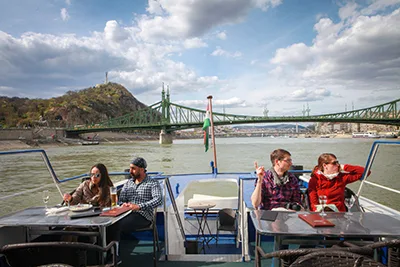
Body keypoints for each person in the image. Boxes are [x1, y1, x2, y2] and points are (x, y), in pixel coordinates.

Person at [107, 157, 163, 264]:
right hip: (126, 213)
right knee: (109, 223)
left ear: (142, 169)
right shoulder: (128, 183)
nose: (130, 171)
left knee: (116, 225)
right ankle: (104, 252)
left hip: (143, 215)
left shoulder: (152, 183)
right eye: (130, 168)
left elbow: (158, 200)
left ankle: (114, 256)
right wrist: (123, 204)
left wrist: (139, 206)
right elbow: (122, 200)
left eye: (133, 168)